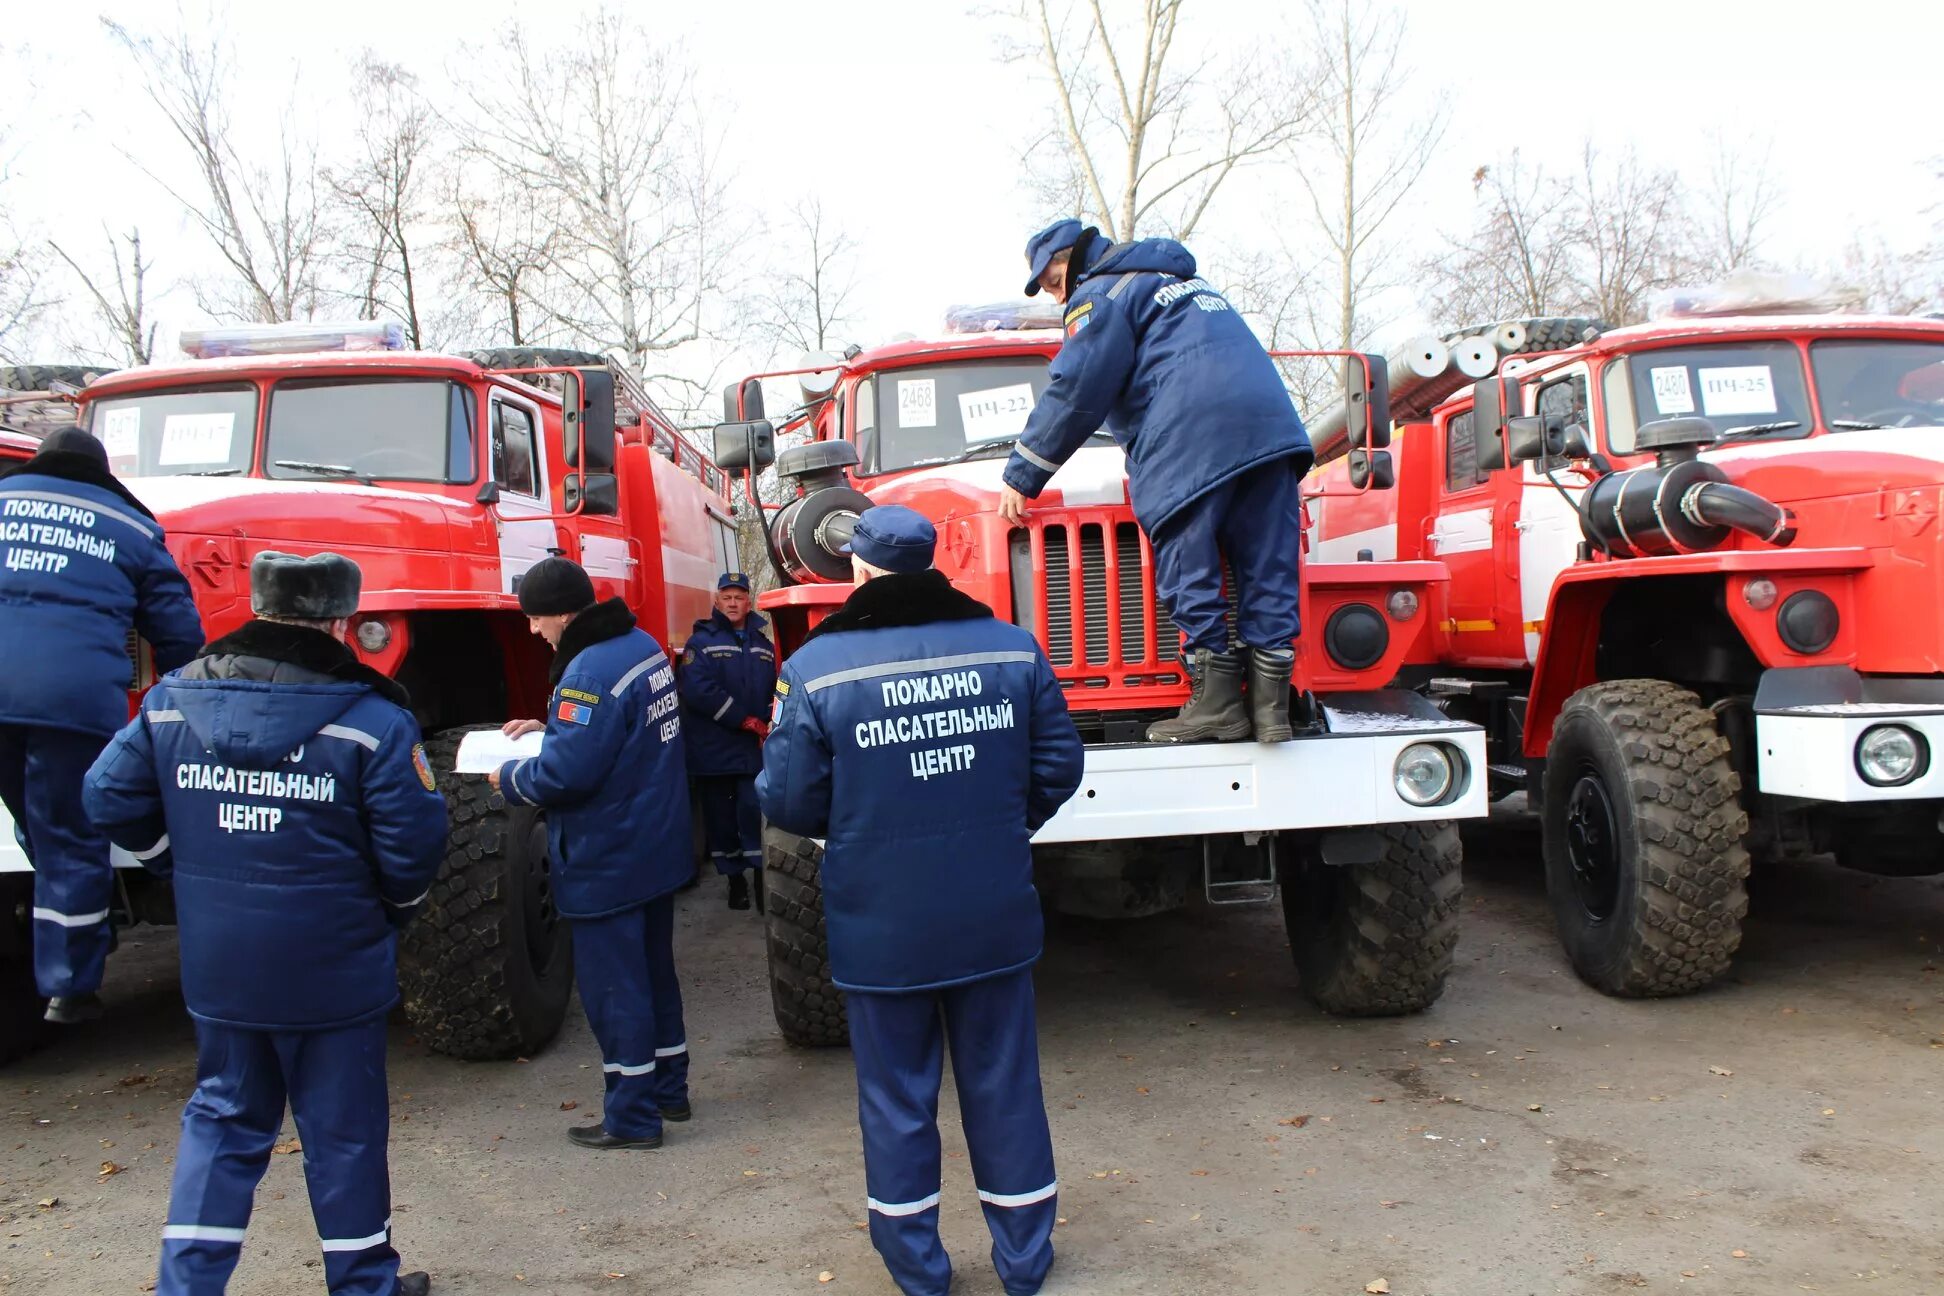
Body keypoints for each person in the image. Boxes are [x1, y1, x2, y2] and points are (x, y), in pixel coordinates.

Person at [81, 550, 444, 1296]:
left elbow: (103, 799)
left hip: (222, 967)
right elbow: (413, 848)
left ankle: (187, 1286)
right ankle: (364, 1283)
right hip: (333, 967)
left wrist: (173, 866)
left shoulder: (171, 703)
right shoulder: (373, 721)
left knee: (222, 1122)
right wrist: (388, 914)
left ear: (256, 608)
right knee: (342, 1133)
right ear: (341, 622)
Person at [758, 504, 1085, 1296]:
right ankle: (1025, 1261)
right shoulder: (1014, 648)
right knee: (1005, 1084)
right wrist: (999, 830)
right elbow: (1059, 768)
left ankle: (918, 1270)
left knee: (897, 1096)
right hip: (992, 915)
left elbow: (792, 802)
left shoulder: (816, 667)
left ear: (860, 573)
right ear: (933, 567)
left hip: (881, 924)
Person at [997, 219, 1317, 744]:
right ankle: (1271, 712)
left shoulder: (1100, 294)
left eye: (1051, 278)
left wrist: (1024, 470)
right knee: (1269, 562)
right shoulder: (1185, 285)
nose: (1055, 295)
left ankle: (1216, 706)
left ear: (1069, 257)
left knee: (1187, 554)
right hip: (1271, 432)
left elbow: (1078, 385)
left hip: (1190, 434)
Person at [488, 557, 694, 1150]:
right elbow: (617, 735)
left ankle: (631, 1117)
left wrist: (513, 778)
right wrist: (551, 726)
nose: (532, 631)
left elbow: (569, 775)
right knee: (654, 973)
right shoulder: (640, 645)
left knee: (614, 988)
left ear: (561, 613)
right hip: (654, 846)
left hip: (608, 857)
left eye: (534, 618)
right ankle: (668, 1089)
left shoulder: (587, 670)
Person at [0, 425, 203, 1024]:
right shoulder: (131, 524)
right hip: (73, 698)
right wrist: (187, 702)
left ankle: (69, 937)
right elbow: (179, 633)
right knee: (70, 831)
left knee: (31, 821)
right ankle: (70, 982)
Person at [677, 571, 778, 911]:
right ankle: (735, 881)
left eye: (739, 597)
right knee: (721, 820)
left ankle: (761, 879)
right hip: (714, 751)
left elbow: (773, 689)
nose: (733, 603)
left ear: (749, 602)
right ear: (717, 601)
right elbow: (698, 690)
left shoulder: (764, 646)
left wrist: (766, 719)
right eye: (727, 597)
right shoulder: (699, 643)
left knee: (754, 811)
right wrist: (742, 719)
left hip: (751, 751)